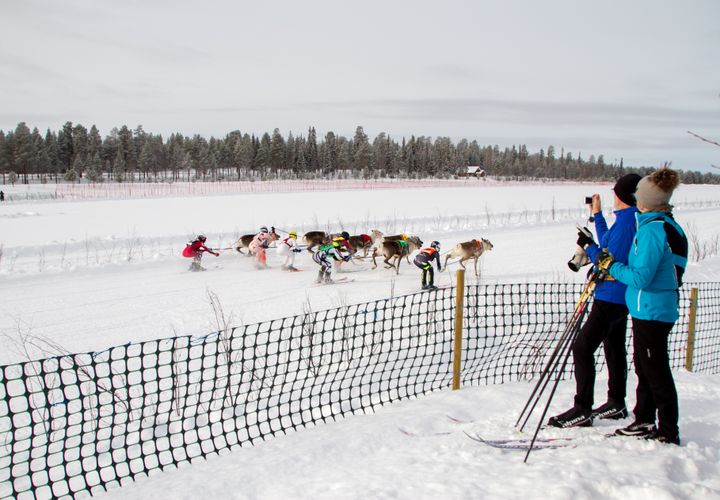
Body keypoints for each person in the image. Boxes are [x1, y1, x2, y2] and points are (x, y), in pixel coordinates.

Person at [548, 173, 641, 428]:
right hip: (615, 296)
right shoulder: (624, 220)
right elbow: (609, 242)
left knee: (582, 347)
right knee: (613, 348)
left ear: (622, 195)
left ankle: (582, 408)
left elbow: (610, 260)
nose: (613, 195)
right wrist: (597, 216)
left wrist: (589, 247)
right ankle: (616, 402)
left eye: (615, 192)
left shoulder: (627, 223)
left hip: (611, 296)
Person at [604, 168, 687, 445]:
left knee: (655, 370)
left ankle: (667, 430)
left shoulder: (652, 230)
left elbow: (641, 277)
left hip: (651, 309)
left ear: (646, 202)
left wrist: (612, 266)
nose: (635, 200)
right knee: (646, 366)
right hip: (653, 308)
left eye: (639, 196)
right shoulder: (666, 224)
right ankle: (645, 418)